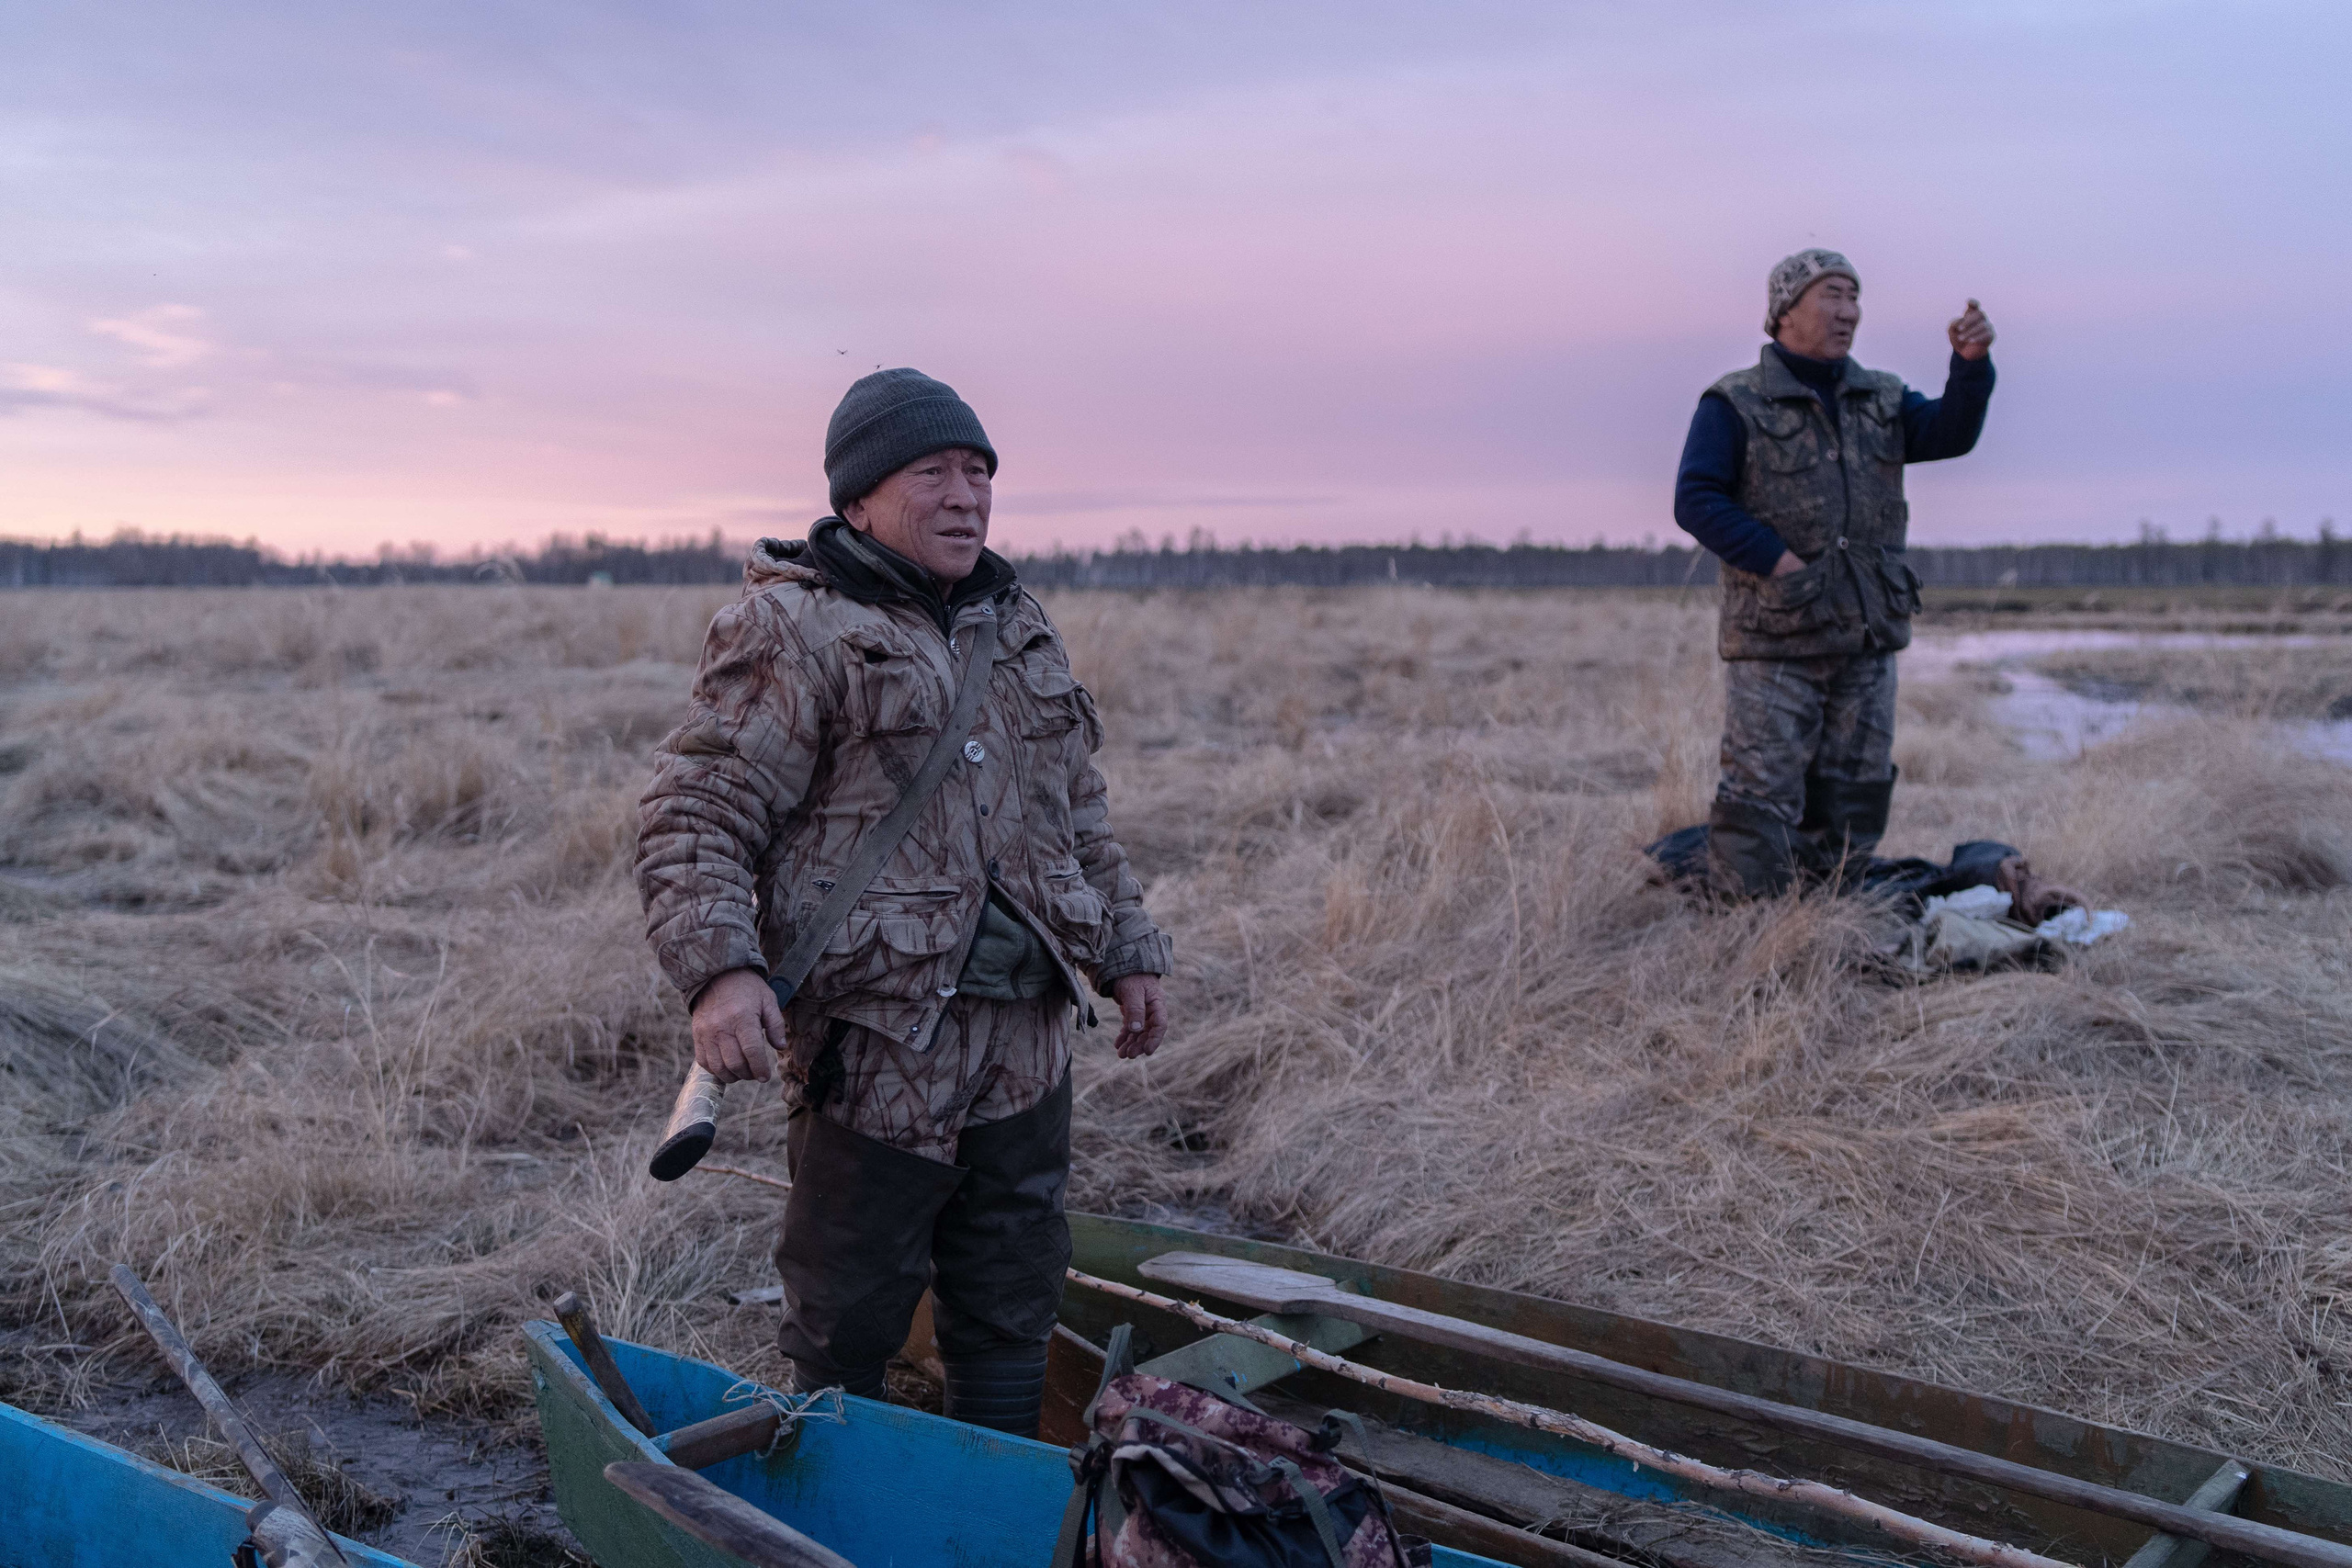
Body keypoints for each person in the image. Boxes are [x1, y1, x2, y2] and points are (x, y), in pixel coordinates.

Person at [634, 368, 1173, 1436]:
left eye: (978, 472)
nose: (966, 495)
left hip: (1025, 1034)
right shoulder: (791, 629)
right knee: (850, 1301)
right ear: (860, 499)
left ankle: (990, 1507)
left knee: (1013, 1288)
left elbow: (1075, 813)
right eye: (933, 472)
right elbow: (697, 809)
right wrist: (720, 969)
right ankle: (844, 1501)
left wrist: (1129, 948)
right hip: (878, 1041)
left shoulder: (1018, 626)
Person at [1672, 250, 1997, 897]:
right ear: (1785, 311)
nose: (1848, 310)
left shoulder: (1882, 396)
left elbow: (1950, 433)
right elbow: (1697, 498)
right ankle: (1749, 930)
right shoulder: (1735, 401)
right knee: (1761, 794)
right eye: (1832, 295)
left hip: (1866, 635)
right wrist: (1779, 561)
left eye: (1854, 296)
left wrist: (1970, 368)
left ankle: (1831, 916)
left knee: (1856, 788)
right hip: (1777, 637)